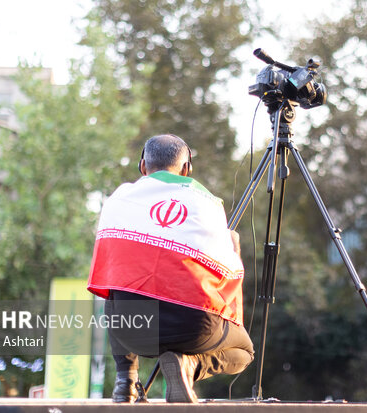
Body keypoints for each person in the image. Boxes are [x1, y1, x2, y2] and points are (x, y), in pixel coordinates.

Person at [87, 134, 254, 403]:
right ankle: (190, 366)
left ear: (143, 166)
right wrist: (234, 246)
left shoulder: (118, 200)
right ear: (187, 169)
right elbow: (228, 274)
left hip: (134, 331)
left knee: (114, 291)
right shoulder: (207, 203)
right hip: (195, 331)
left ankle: (125, 381)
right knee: (244, 351)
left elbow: (105, 273)